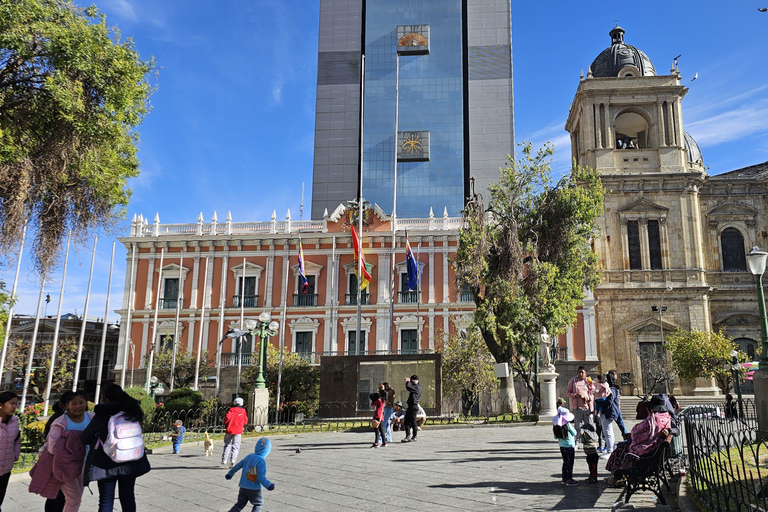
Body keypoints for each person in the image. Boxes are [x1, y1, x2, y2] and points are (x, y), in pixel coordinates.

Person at [82, 383, 151, 512]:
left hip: (106, 461)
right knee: (128, 496)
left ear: (105, 398)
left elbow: (85, 437)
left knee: (106, 499)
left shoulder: (103, 414)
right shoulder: (132, 412)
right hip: (131, 458)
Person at [30, 390, 93, 512]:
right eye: (74, 403)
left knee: (77, 496)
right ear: (66, 405)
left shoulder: (91, 417)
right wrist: (73, 445)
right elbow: (52, 447)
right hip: (65, 465)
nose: (78, 406)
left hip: (84, 463)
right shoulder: (60, 423)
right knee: (74, 498)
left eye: (81, 402)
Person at [225, 437, 275, 512]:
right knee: (258, 504)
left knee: (239, 504)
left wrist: (230, 474)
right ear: (267, 450)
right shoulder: (261, 461)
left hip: (243, 487)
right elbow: (261, 477)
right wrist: (269, 485)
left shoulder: (249, 456)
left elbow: (237, 466)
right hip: (254, 489)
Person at [42, 400, 67, 512]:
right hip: (57, 462)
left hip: (60, 462)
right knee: (57, 495)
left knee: (58, 495)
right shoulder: (60, 420)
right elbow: (52, 446)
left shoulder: (58, 417)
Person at [0, 391, 21, 511]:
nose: (14, 407)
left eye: (16, 404)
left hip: (5, 469)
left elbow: (17, 440)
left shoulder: (14, 422)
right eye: (11, 403)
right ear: (1, 405)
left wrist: (14, 455)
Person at [552, 400, 578, 487]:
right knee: (570, 463)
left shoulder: (556, 426)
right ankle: (569, 479)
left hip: (562, 446)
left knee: (565, 462)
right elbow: (574, 433)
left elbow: (556, 437)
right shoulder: (568, 425)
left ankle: (564, 478)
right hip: (570, 445)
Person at [566, 366, 594, 438]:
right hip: (577, 408)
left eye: (582, 372)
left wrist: (587, 398)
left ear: (586, 374)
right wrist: (575, 395)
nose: (580, 374)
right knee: (578, 426)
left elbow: (593, 392)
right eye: (579, 372)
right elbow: (568, 393)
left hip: (587, 408)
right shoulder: (573, 381)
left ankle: (589, 441)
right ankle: (577, 441)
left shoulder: (588, 382)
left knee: (589, 425)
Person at [222, 397, 248, 467]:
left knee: (227, 444)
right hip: (238, 430)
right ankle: (233, 460)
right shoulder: (243, 411)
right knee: (236, 445)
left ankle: (224, 459)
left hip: (230, 429)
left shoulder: (231, 410)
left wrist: (225, 423)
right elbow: (245, 420)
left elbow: (227, 417)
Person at [606, 370, 627, 438]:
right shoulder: (609, 386)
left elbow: (618, 397)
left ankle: (625, 435)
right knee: (619, 423)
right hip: (614, 407)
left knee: (619, 422)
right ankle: (625, 435)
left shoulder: (615, 387)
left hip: (615, 407)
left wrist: (619, 404)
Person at [401, 375, 422, 443]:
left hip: (414, 406)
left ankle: (414, 436)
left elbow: (408, 387)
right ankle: (408, 435)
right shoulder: (417, 386)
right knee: (407, 421)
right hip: (410, 406)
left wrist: (407, 382)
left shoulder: (417, 387)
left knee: (413, 421)